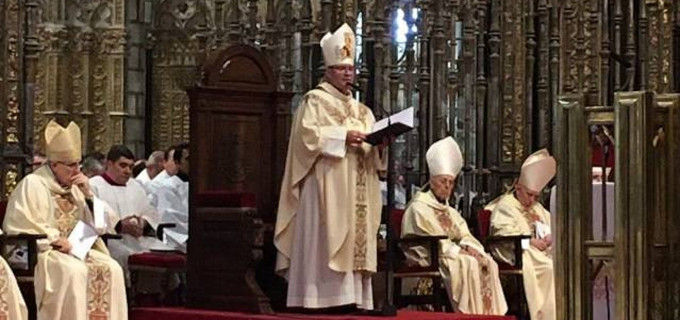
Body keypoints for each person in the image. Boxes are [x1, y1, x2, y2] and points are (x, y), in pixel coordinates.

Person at [274, 23, 387, 310]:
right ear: (328, 70)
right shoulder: (315, 101)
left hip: (358, 186)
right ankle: (319, 296)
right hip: (327, 186)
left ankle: (354, 298)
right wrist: (342, 137)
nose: (348, 74)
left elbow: (373, 152)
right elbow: (306, 139)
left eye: (350, 69)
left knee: (355, 237)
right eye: (341, 69)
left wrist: (380, 145)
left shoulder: (364, 111)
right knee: (328, 236)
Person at [3, 120, 127, 320]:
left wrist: (88, 195)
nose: (76, 170)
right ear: (53, 165)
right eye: (70, 165)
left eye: (78, 164)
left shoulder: (77, 189)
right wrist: (54, 240)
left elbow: (102, 226)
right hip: (47, 252)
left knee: (113, 268)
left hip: (77, 250)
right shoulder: (33, 184)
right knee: (74, 272)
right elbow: (20, 224)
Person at [401, 137, 507, 315]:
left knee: (487, 261)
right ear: (432, 180)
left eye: (451, 183)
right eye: (443, 181)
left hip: (449, 254)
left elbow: (463, 233)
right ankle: (469, 315)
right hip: (431, 258)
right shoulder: (419, 207)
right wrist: (459, 251)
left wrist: (470, 247)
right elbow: (429, 239)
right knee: (467, 264)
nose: (447, 187)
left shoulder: (449, 211)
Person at [488, 149, 556, 320]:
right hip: (516, 252)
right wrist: (531, 242)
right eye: (529, 194)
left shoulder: (536, 208)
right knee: (549, 267)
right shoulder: (506, 206)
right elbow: (504, 235)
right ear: (518, 188)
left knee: (562, 262)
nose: (532, 200)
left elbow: (551, 225)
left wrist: (550, 236)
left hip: (539, 252)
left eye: (536, 196)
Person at [89, 145, 168, 281]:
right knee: (122, 254)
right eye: (123, 165)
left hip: (138, 240)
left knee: (164, 252)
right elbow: (93, 216)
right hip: (111, 241)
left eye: (131, 167)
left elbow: (150, 212)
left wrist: (142, 223)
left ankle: (152, 296)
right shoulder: (93, 186)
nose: (127, 171)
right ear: (109, 164)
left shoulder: (136, 186)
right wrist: (120, 225)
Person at [152, 143, 189, 252]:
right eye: (188, 159)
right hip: (177, 242)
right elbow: (169, 218)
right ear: (178, 163)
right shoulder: (168, 186)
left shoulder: (200, 185)